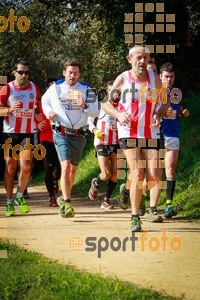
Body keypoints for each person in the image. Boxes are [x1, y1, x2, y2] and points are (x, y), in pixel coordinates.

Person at [102, 44, 169, 231]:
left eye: (145, 58)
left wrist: (159, 113)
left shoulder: (154, 78)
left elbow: (165, 101)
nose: (142, 61)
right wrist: (118, 114)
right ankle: (134, 217)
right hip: (128, 132)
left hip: (151, 132)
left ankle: (127, 188)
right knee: (138, 173)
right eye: (138, 57)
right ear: (129, 59)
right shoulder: (123, 79)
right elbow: (107, 104)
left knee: (154, 176)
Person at [42, 58, 99, 218]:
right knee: (65, 168)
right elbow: (44, 102)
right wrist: (49, 113)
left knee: (72, 171)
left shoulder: (87, 89)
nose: (72, 76)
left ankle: (63, 196)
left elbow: (96, 112)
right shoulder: (55, 89)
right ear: (64, 72)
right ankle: (67, 203)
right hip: (60, 133)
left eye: (75, 73)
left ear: (79, 74)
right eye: (70, 72)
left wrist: (85, 106)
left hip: (79, 136)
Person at [0, 59, 41, 217]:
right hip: (10, 133)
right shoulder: (7, 89)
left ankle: (19, 195)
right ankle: (9, 201)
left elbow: (37, 106)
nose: (24, 75)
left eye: (27, 72)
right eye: (21, 72)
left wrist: (38, 116)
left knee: (27, 165)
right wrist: (9, 110)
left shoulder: (34, 87)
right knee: (10, 168)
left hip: (28, 132)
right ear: (14, 73)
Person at [150, 62, 189, 218]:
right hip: (156, 134)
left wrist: (182, 112)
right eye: (166, 76)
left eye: (171, 77)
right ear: (160, 76)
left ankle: (168, 205)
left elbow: (178, 108)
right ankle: (145, 202)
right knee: (154, 172)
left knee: (170, 170)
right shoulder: (154, 92)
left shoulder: (177, 92)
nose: (169, 79)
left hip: (173, 133)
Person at [87, 80, 119, 210]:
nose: (114, 94)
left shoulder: (123, 106)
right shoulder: (100, 105)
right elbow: (88, 120)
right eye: (111, 91)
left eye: (116, 91)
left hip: (117, 142)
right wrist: (95, 130)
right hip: (102, 142)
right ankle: (96, 182)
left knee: (116, 174)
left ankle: (106, 200)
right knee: (105, 174)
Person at [36, 77, 61, 207]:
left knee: (61, 168)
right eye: (49, 87)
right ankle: (51, 196)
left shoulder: (62, 101)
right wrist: (37, 122)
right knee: (50, 166)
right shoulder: (40, 102)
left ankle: (56, 178)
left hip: (61, 137)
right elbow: (32, 114)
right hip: (46, 139)